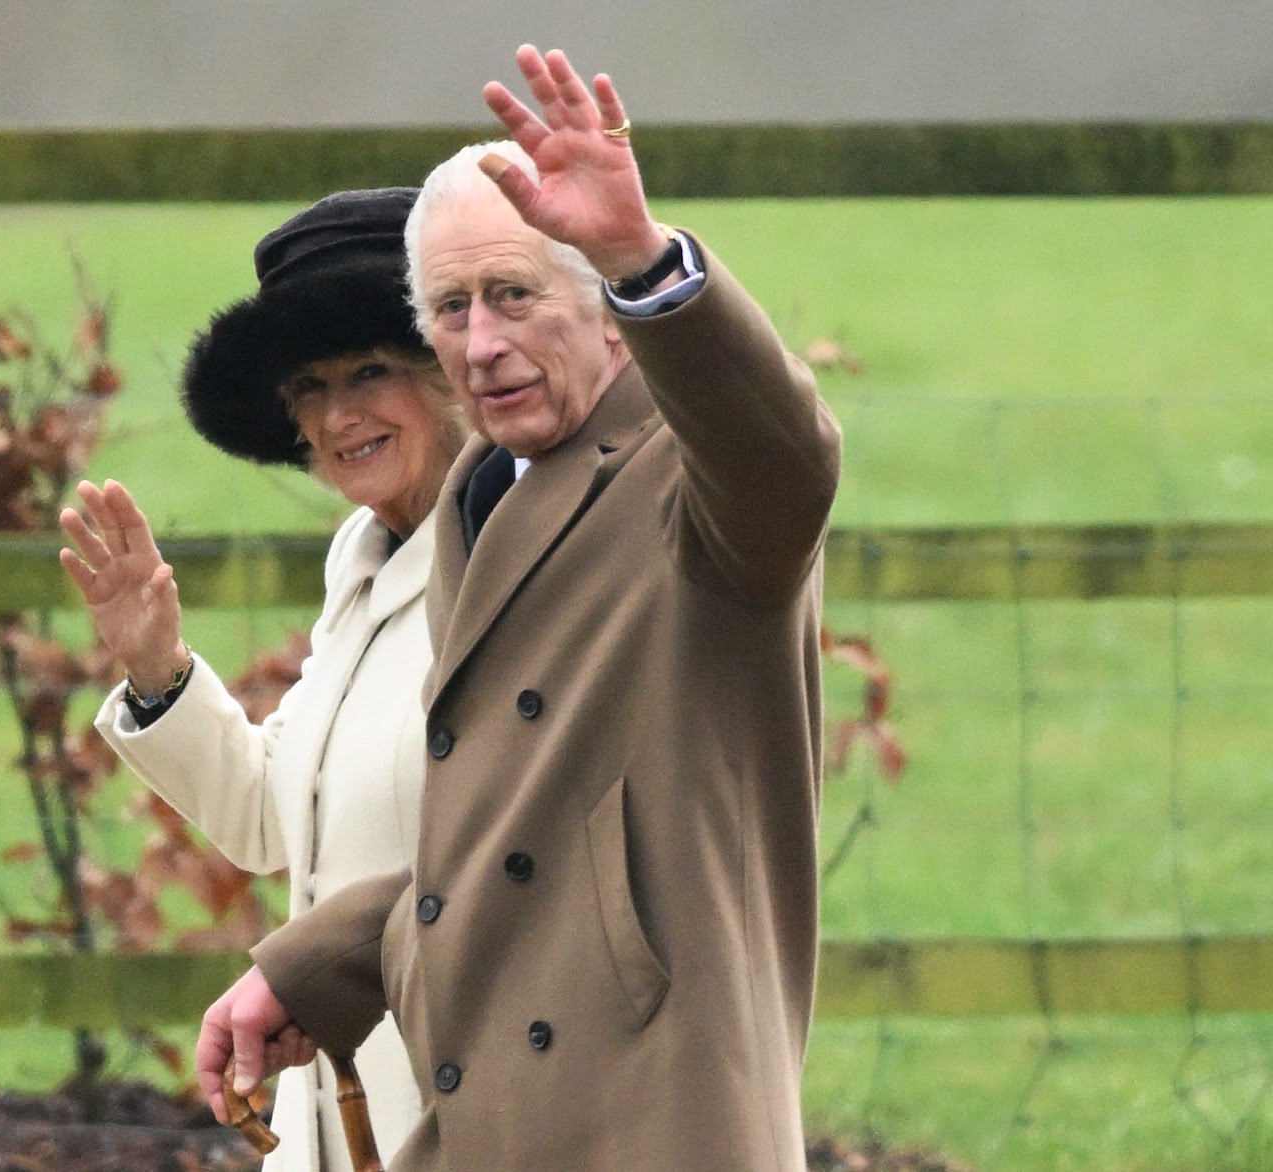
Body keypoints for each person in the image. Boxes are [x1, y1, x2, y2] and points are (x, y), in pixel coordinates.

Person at [196, 46, 843, 1171]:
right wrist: (311, 967)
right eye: (450, 308)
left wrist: (645, 259)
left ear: (601, 309)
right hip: (490, 1107)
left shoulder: (690, 476)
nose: (482, 341)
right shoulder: (475, 498)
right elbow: (510, 841)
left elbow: (786, 456)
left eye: (513, 295)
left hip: (657, 1118)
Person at [57, 187, 467, 1172]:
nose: (336, 415)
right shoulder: (360, 556)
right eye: (308, 388)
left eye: (371, 371)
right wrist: (157, 666)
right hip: (331, 1111)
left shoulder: (517, 557)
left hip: (469, 1099)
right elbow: (275, 818)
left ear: (450, 371)